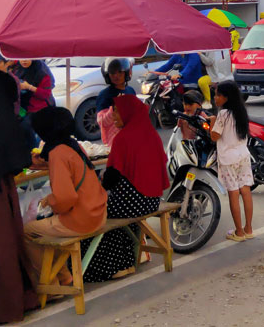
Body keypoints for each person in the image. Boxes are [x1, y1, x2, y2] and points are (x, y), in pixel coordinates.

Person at [80, 95, 169, 282]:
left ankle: (114, 267)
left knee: (92, 215)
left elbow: (111, 179)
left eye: (117, 111)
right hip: (152, 201)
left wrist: (99, 186)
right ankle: (126, 262)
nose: (113, 116)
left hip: (131, 205)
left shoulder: (124, 138)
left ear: (129, 112)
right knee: (112, 210)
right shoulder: (151, 134)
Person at [24, 107, 107, 284]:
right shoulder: (71, 145)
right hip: (98, 212)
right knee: (44, 226)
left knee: (27, 231)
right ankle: (63, 276)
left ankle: (52, 283)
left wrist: (50, 201)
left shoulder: (57, 153)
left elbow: (65, 199)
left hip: (82, 219)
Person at [0, 72, 37, 324]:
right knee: (6, 240)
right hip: (2, 171)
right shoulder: (2, 81)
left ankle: (9, 304)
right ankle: (18, 300)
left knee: (3, 243)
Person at [210, 81, 254, 241]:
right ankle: (248, 229)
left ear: (226, 97)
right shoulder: (241, 112)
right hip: (243, 156)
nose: (215, 98)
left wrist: (212, 121)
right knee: (245, 190)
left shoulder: (223, 115)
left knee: (233, 193)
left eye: (218, 95)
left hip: (228, 158)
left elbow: (214, 136)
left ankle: (239, 232)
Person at [96, 58, 135, 147]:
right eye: (113, 73)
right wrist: (113, 109)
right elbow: (101, 121)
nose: (116, 76)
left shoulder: (130, 91)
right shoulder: (105, 95)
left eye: (120, 72)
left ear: (126, 73)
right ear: (107, 75)